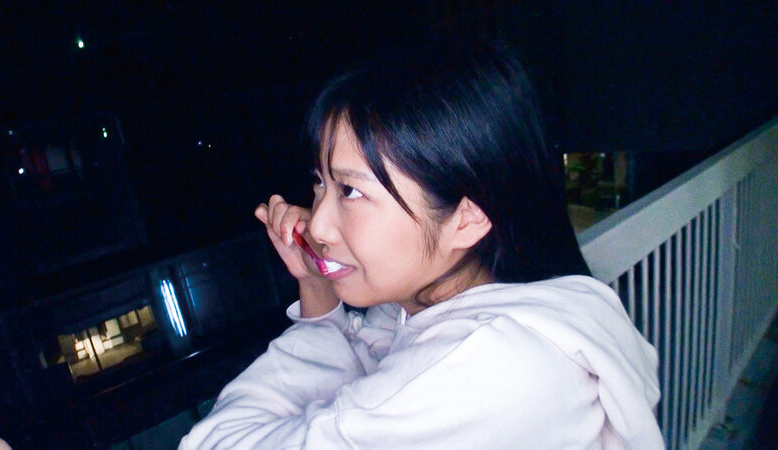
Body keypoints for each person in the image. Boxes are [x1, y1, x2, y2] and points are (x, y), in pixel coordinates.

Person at [179, 41, 663, 449]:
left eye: (351, 191)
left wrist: (320, 314)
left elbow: (213, 443)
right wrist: (316, 283)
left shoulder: (483, 369)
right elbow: (369, 368)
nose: (318, 225)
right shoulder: (438, 307)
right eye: (320, 182)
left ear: (466, 219)